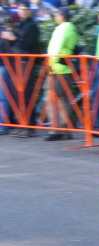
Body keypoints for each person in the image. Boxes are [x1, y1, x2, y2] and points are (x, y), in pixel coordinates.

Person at [0, 0, 40, 137]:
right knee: (16, 94)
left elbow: (28, 45)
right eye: (20, 9)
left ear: (29, 10)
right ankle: (21, 123)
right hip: (14, 63)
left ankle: (28, 126)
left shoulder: (32, 26)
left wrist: (13, 38)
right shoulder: (19, 24)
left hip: (25, 63)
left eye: (25, 9)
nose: (22, 11)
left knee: (26, 94)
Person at [45, 6, 78, 141]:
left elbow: (58, 47)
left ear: (62, 16)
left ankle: (58, 130)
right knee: (61, 99)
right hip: (60, 68)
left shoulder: (64, 28)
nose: (55, 16)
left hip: (58, 68)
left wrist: (52, 61)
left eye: (56, 14)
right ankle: (63, 129)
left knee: (57, 99)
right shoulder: (66, 27)